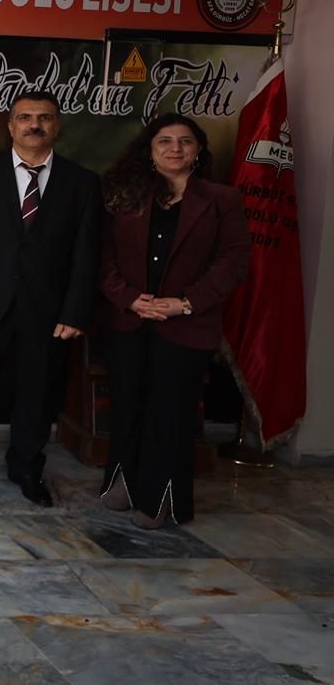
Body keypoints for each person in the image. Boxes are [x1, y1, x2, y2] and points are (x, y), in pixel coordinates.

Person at [0, 90, 100, 506]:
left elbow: (87, 253)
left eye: (44, 118)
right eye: (26, 117)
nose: (35, 125)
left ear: (57, 126)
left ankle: (27, 467)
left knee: (37, 393)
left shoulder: (82, 181)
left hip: (47, 310)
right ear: (10, 125)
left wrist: (75, 311)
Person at [98, 113, 249, 527]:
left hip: (186, 323)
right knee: (127, 404)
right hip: (129, 319)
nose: (175, 148)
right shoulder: (125, 193)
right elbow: (103, 255)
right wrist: (129, 299)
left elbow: (233, 262)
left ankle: (161, 499)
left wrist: (185, 303)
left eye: (185, 141)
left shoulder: (222, 199)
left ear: (198, 151)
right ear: (149, 151)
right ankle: (122, 482)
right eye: (164, 140)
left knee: (171, 411)